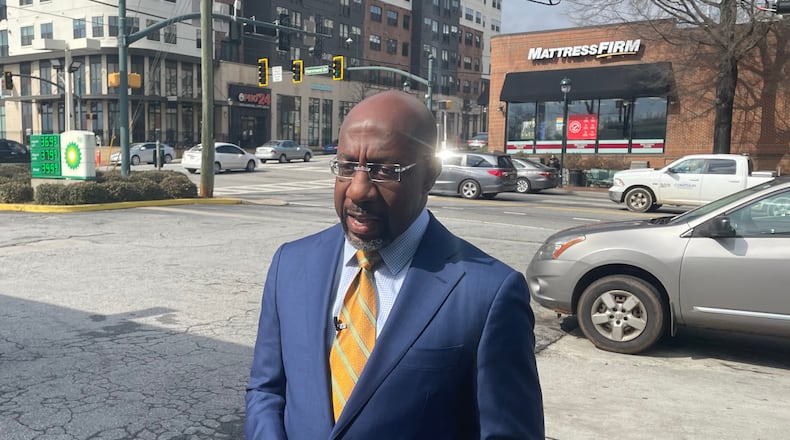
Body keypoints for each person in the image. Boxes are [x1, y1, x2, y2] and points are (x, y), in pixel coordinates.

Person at [245, 90, 544, 439]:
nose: (358, 190)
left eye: (385, 171)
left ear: (429, 175)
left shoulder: (489, 294)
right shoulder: (291, 264)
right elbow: (266, 390)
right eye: (347, 167)